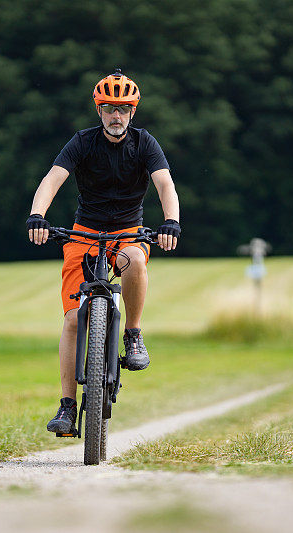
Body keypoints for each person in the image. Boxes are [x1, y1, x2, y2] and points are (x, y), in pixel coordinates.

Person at [26, 69, 181, 435]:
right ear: (99, 110)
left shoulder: (145, 144)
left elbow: (165, 184)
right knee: (72, 320)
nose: (116, 116)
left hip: (128, 232)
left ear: (133, 112)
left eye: (123, 109)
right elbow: (52, 179)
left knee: (136, 259)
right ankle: (66, 407)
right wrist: (37, 215)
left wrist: (171, 221)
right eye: (110, 108)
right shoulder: (82, 142)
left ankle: (133, 333)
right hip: (84, 233)